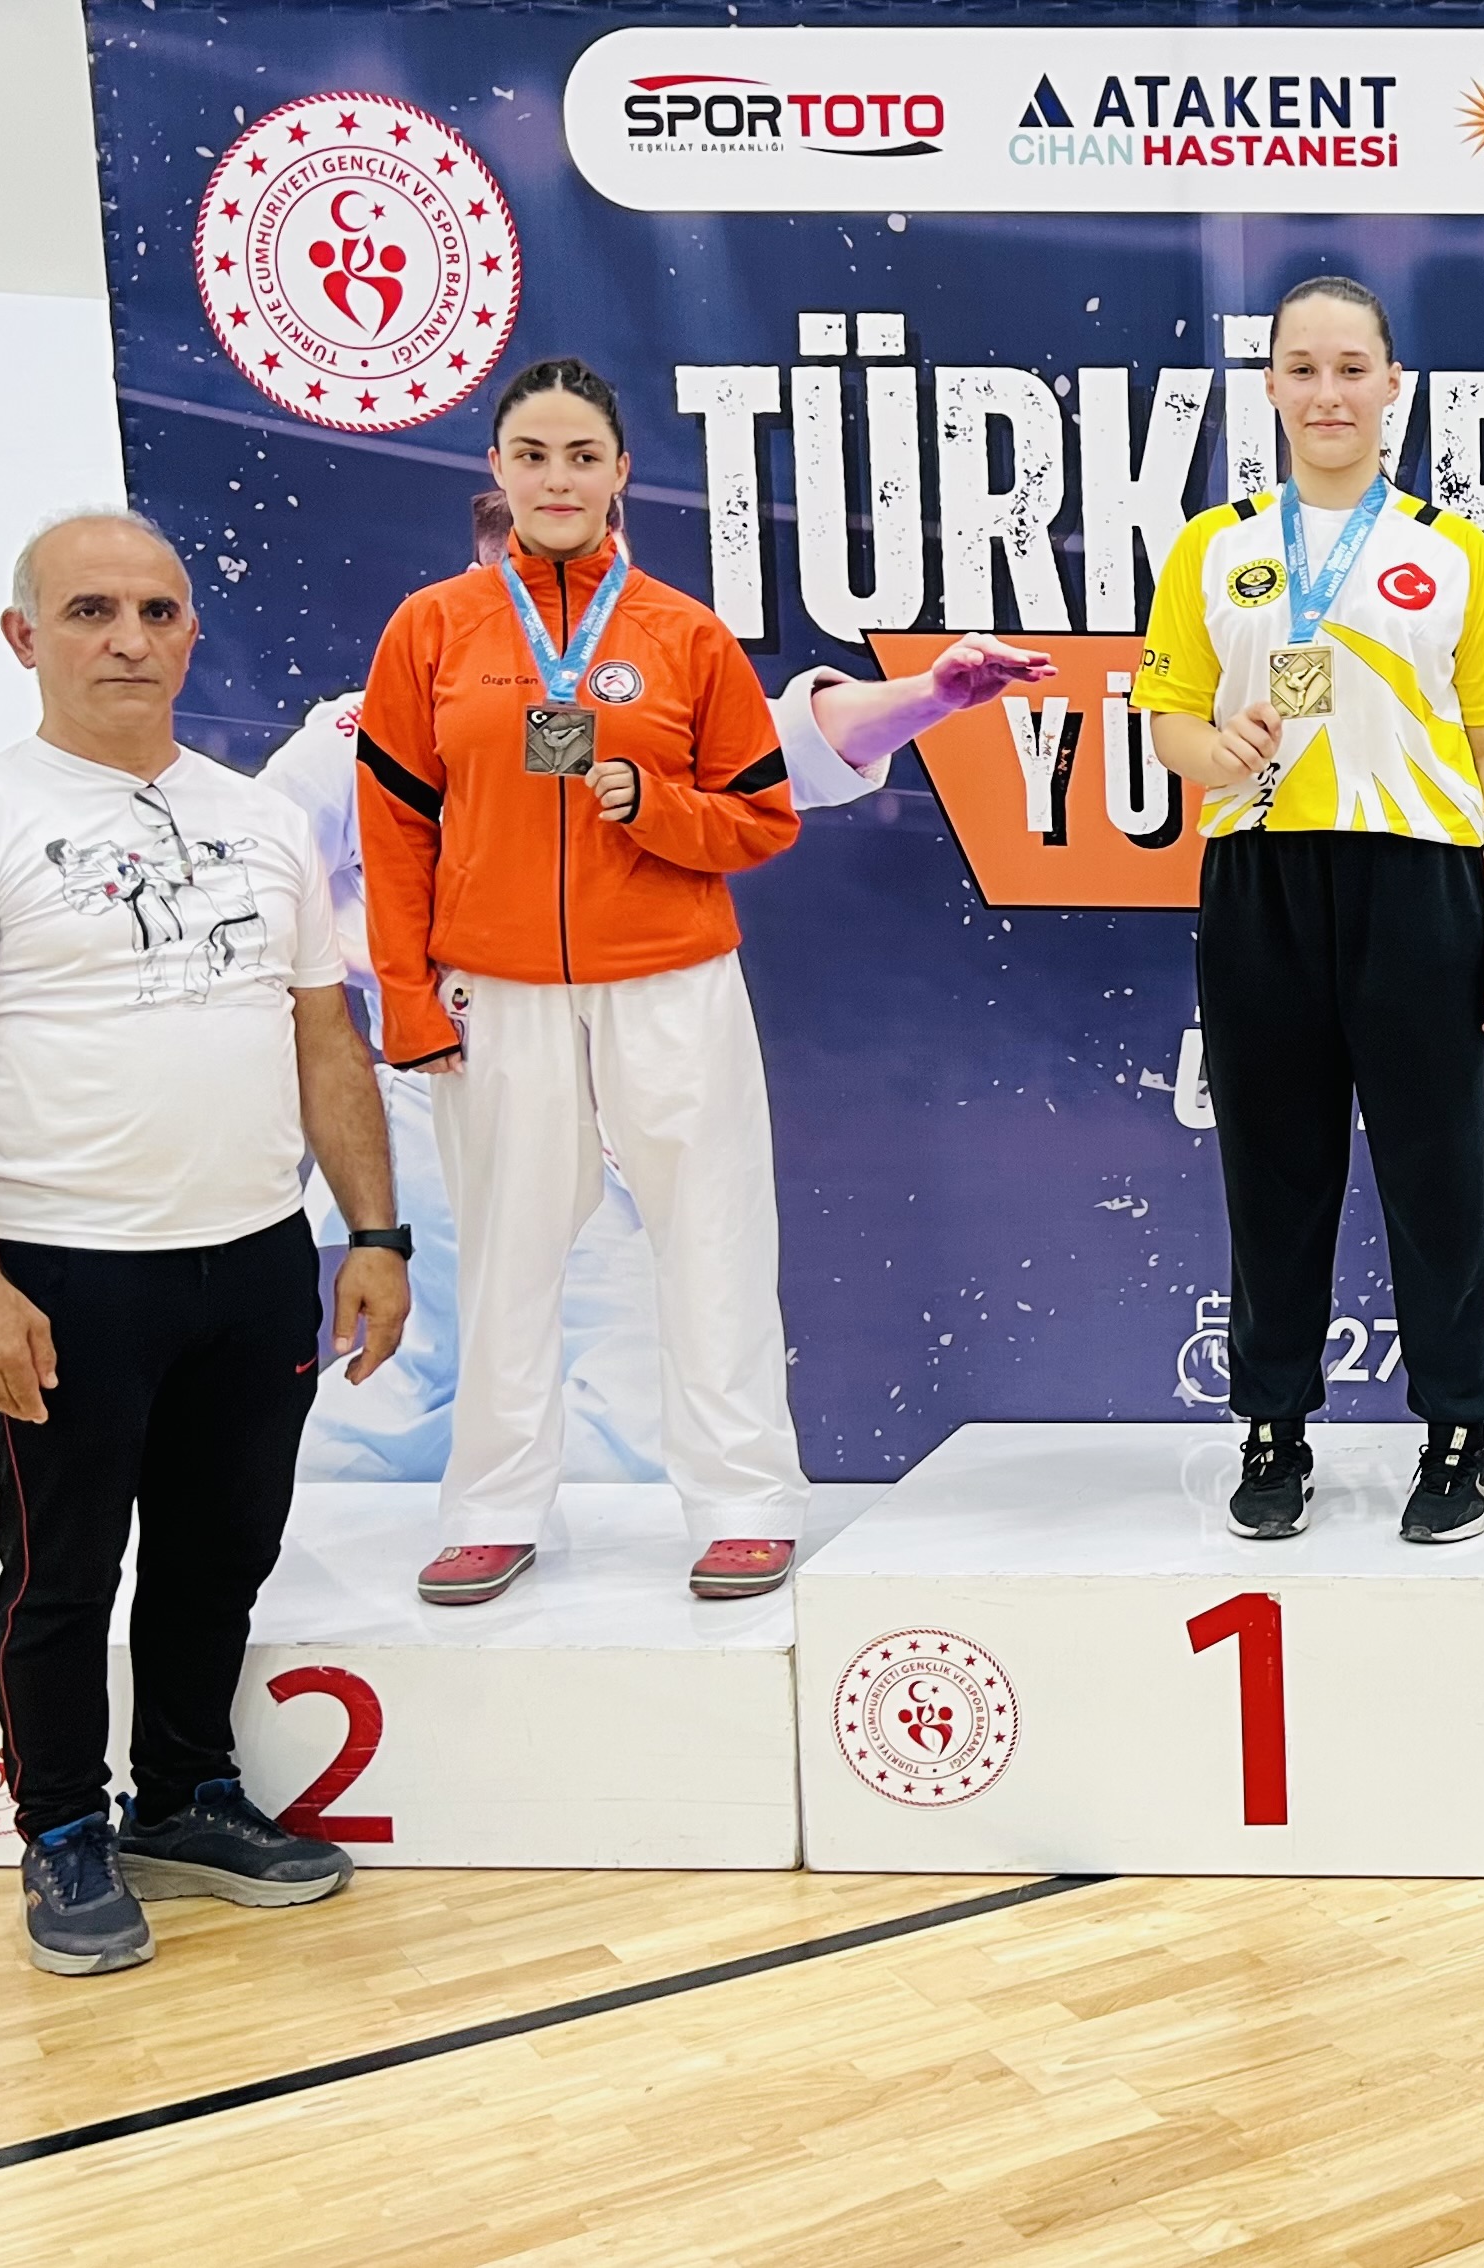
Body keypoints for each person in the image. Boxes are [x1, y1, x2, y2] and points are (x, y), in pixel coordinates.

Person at [358, 359, 1043, 1605]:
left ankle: (741, 1504)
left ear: (621, 472)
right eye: (532, 456)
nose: (557, 480)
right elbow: (394, 827)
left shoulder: (682, 633)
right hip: (497, 986)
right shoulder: (431, 629)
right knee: (505, 1251)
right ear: (496, 470)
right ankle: (494, 1509)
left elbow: (762, 819)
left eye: (581, 457)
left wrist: (658, 809)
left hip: (671, 978)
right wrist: (409, 1000)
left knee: (712, 1235)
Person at [0, 508, 409, 1975]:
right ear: (23, 637)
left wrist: (374, 1230)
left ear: (189, 631)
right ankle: (60, 1831)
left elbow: (324, 1039)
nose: (130, 640)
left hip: (253, 1263)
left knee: (221, 1553)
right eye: (91, 611)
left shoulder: (261, 820)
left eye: (158, 612)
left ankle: (184, 1798)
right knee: (62, 1574)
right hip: (65, 1275)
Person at [1137, 276, 1484, 1546]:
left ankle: (1458, 1433)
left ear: (1391, 385)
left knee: (1439, 1176)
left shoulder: (1451, 549)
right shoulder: (1212, 546)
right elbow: (1168, 725)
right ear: (1268, 385)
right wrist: (1215, 749)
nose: (1328, 393)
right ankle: (1273, 1428)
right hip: (1261, 879)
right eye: (1303, 369)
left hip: (1421, 884)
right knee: (1272, 1170)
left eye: (1351, 369)